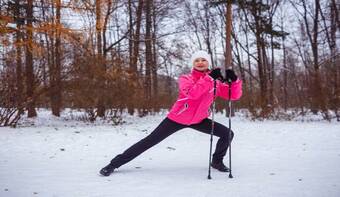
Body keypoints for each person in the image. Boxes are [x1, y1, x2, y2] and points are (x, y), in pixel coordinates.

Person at [99, 50, 242, 176]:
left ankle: (216, 162)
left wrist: (234, 82)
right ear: (193, 63)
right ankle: (113, 164)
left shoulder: (215, 82)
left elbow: (232, 95)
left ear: (208, 62)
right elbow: (192, 94)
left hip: (199, 120)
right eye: (196, 60)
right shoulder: (186, 79)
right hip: (177, 119)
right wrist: (209, 78)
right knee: (149, 141)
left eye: (203, 59)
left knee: (227, 134)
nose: (200, 62)